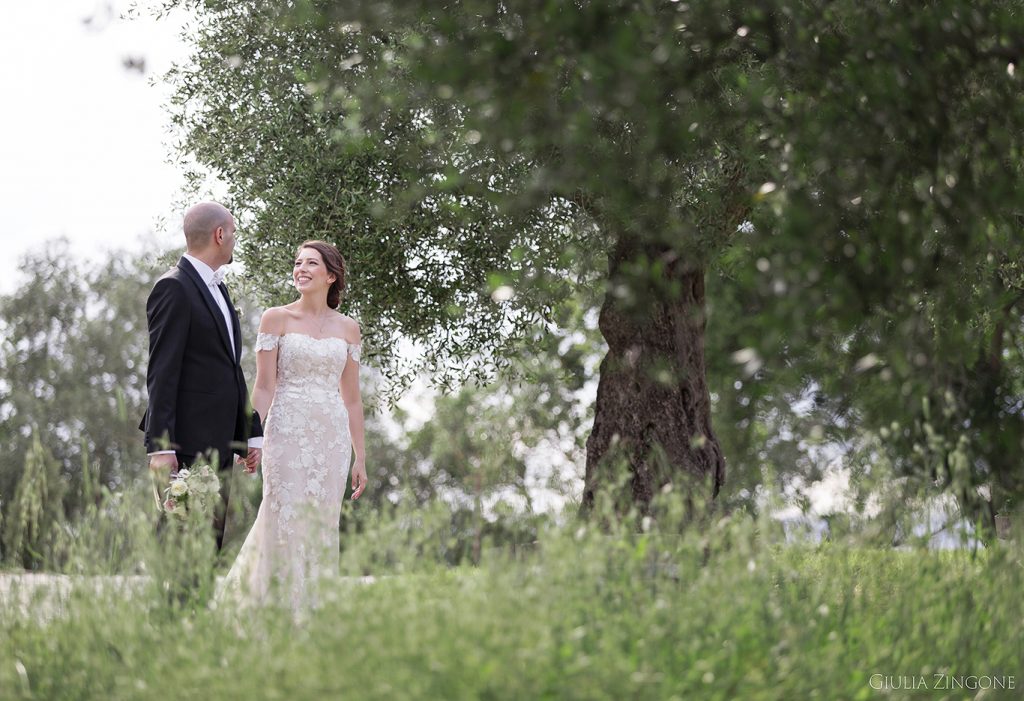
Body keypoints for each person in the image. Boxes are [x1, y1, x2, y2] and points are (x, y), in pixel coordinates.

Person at [217, 240, 368, 613]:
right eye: (297, 262)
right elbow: (264, 385)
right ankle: (267, 609)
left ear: (331, 276)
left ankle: (313, 613)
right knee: (280, 513)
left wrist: (360, 457)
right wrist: (250, 436)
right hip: (285, 430)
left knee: (320, 523)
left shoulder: (349, 329)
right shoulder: (276, 319)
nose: (300, 268)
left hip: (331, 437)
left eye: (311, 263)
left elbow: (351, 398)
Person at [140, 202, 263, 553]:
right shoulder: (174, 287)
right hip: (187, 444)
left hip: (220, 442)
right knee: (181, 547)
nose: (235, 241)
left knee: (208, 547)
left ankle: (195, 610)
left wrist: (249, 432)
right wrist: (161, 446)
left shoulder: (219, 290)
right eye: (234, 234)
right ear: (220, 235)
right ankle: (170, 609)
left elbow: (228, 368)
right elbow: (161, 370)